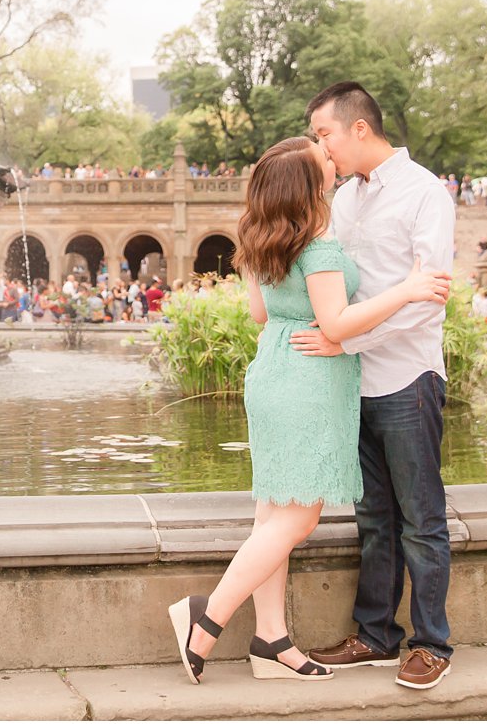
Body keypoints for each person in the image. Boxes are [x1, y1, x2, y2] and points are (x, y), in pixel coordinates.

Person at [168, 134, 450, 686]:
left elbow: (257, 313)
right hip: (309, 379)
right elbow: (339, 324)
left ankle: (271, 639)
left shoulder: (256, 237)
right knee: (300, 516)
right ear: (308, 182)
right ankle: (208, 616)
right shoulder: (317, 244)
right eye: (323, 158)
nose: (332, 158)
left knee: (273, 512)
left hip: (271, 368)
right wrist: (410, 289)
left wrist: (298, 318)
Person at [290, 82, 458, 690]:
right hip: (354, 380)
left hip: (408, 377)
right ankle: (376, 635)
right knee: (374, 519)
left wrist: (344, 340)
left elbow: (427, 302)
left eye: (325, 132)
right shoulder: (343, 200)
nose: (321, 145)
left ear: (359, 128)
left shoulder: (425, 193)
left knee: (420, 517)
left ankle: (432, 643)